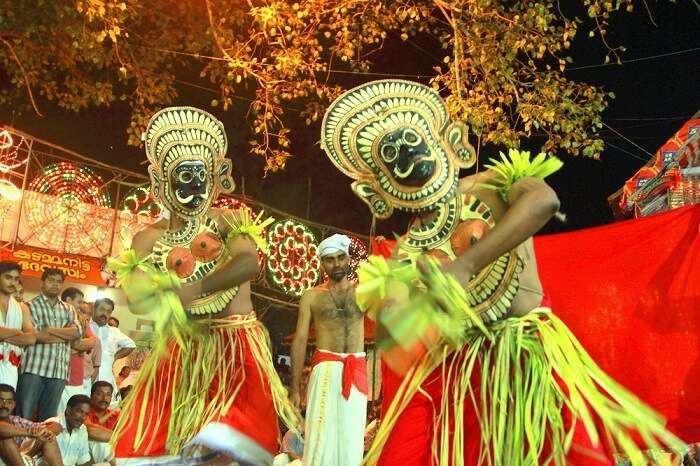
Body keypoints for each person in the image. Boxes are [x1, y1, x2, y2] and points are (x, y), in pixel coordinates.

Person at [320, 79, 684, 465]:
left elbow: (545, 200)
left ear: (451, 143)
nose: (406, 154)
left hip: (529, 366)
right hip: (466, 385)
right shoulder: (408, 251)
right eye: (390, 154)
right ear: (378, 195)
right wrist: (403, 307)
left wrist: (467, 264)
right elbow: (401, 339)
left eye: (410, 137)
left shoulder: (492, 186)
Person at [108, 106, 300, 466]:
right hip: (180, 352)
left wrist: (195, 288)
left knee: (231, 448)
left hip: (236, 350)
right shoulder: (147, 239)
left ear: (217, 177)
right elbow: (135, 299)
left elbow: (248, 263)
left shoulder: (227, 220)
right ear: (161, 180)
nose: (194, 184)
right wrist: (155, 291)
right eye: (184, 174)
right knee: (151, 448)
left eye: (201, 174)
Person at [290, 234, 367, 466]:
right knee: (321, 434)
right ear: (322, 263)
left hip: (357, 370)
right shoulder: (312, 296)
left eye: (341, 258)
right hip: (326, 369)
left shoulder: (364, 291)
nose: (336, 264)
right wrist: (294, 388)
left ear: (348, 259)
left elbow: (389, 315)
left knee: (352, 437)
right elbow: (300, 339)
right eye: (330, 259)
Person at [17, 269, 81, 421]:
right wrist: (63, 334)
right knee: (24, 416)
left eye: (59, 282)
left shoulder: (69, 308)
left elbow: (76, 332)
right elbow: (35, 336)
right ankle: (21, 445)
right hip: (34, 369)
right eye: (51, 280)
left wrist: (49, 331)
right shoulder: (29, 306)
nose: (55, 284)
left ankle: (41, 446)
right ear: (42, 283)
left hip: (59, 371)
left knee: (48, 420)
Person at [0, 383, 62, 466]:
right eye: (0, 400)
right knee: (6, 438)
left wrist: (46, 431)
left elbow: (57, 426)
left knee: (48, 437)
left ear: (13, 405)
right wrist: (30, 432)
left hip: (20, 459)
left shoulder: (16, 420)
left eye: (9, 402)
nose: (4, 405)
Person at [58, 288, 97, 414]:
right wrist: (78, 347)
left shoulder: (82, 321)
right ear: (68, 300)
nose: (80, 306)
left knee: (75, 416)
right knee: (57, 417)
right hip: (58, 378)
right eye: (79, 302)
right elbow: (53, 346)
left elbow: (92, 342)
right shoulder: (57, 318)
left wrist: (69, 346)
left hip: (77, 379)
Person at [89, 299, 134, 400]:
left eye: (108, 311)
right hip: (87, 378)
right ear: (94, 309)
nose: (104, 313)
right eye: (101, 309)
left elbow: (131, 345)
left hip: (106, 377)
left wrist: (115, 357)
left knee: (106, 408)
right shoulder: (86, 326)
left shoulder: (114, 331)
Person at [0, 262, 36, 389]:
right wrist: (18, 333)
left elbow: (31, 338)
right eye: (8, 277)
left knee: (6, 405)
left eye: (16, 279)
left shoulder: (22, 308)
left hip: (11, 366)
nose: (13, 282)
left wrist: (3, 334)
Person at [44, 395, 92, 466]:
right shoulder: (52, 425)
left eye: (86, 414)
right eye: (80, 412)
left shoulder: (82, 431)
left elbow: (83, 460)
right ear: (69, 410)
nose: (83, 417)